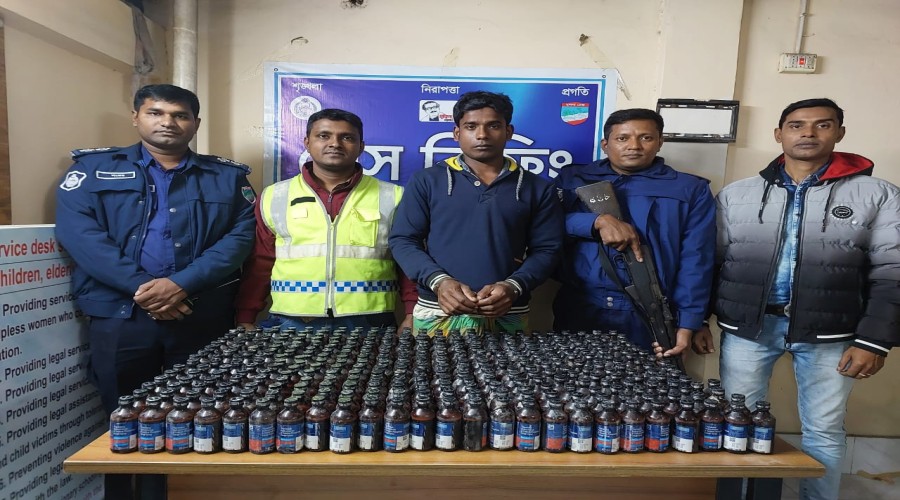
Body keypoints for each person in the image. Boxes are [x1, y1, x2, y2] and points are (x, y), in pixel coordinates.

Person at [55, 83, 256, 498]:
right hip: (121, 317)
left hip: (198, 316)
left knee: (195, 417)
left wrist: (181, 285)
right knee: (121, 418)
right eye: (156, 113)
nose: (168, 122)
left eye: (180, 115)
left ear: (195, 123)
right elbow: (81, 236)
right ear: (136, 117)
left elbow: (239, 240)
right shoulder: (92, 171)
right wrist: (144, 289)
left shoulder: (227, 177)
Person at [695, 98, 898, 500]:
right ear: (779, 134)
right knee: (737, 424)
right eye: (796, 125)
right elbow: (712, 263)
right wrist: (700, 319)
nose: (808, 133)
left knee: (823, 430)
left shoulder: (877, 195)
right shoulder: (738, 195)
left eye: (822, 125)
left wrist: (874, 341)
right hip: (749, 331)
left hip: (832, 333)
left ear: (839, 133)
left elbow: (891, 271)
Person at [389, 91, 564, 335]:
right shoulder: (427, 181)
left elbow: (548, 249)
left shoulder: (537, 188)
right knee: (430, 364)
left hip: (507, 313)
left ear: (509, 131)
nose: (482, 135)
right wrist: (439, 282)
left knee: (514, 365)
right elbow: (403, 240)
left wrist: (513, 286)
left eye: (493, 125)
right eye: (471, 126)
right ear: (457, 133)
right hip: (438, 311)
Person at [553, 108, 715, 356]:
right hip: (580, 306)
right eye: (622, 138)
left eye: (646, 138)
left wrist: (689, 322)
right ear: (605, 145)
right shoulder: (573, 179)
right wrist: (595, 222)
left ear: (660, 142)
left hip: (650, 313)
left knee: (650, 381)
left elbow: (697, 259)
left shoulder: (689, 189)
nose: (634, 146)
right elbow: (546, 225)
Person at [236, 108, 416, 332]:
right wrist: (246, 315)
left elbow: (408, 262)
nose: (335, 144)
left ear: (361, 146)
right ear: (307, 142)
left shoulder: (393, 196)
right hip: (292, 322)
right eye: (324, 136)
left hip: (369, 321)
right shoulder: (275, 196)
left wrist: (412, 313)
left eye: (347, 138)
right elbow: (260, 263)